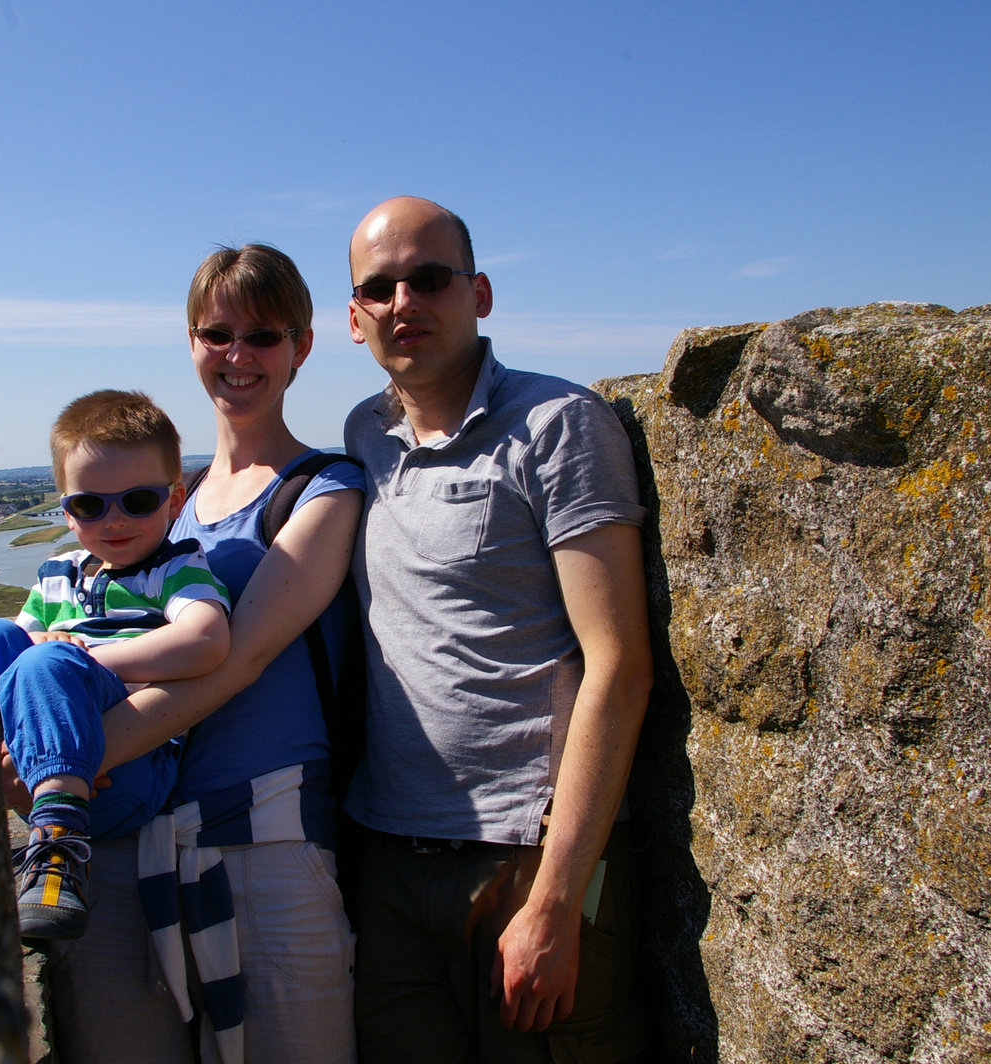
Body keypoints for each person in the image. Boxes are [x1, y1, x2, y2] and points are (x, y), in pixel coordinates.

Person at [341, 196, 655, 1063]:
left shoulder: (557, 425)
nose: (405, 302)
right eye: (380, 287)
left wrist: (557, 899)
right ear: (353, 317)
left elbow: (619, 665)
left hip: (527, 860)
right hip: (393, 858)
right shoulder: (365, 437)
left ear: (480, 293)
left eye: (429, 278)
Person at [41, 244, 365, 1063]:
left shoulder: (323, 489)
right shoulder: (154, 503)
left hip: (267, 845)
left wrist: (62, 768)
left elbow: (237, 659)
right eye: (215, 333)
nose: (237, 355)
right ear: (190, 342)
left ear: (303, 345)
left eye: (262, 335)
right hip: (132, 836)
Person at [0, 389, 231, 941]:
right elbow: (11, 658)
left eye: (138, 501)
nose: (114, 520)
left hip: (131, 766)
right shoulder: (56, 573)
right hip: (44, 760)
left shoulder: (175, 569)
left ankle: (59, 856)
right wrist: (44, 650)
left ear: (175, 499)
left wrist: (85, 655)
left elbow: (206, 640)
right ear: (66, 511)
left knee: (46, 660)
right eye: (90, 505)